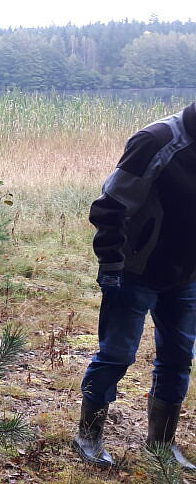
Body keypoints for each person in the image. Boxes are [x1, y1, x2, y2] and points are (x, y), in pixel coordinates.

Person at [73, 102, 196, 470]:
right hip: (133, 269)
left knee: (178, 358)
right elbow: (109, 205)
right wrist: (111, 265)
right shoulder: (158, 140)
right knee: (117, 354)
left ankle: (161, 444)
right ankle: (88, 435)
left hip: (186, 275)